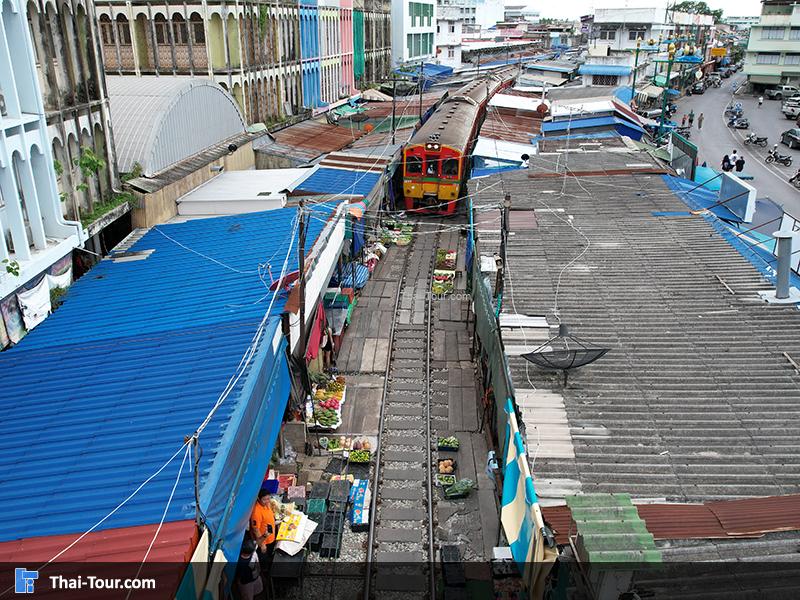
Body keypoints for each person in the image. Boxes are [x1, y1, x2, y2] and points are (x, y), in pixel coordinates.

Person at [250, 489, 276, 569]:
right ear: (258, 498)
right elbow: (256, 529)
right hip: (265, 541)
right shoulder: (256, 512)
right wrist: (262, 544)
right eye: (264, 499)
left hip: (271, 537)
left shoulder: (267, 505)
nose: (267, 501)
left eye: (269, 498)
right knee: (264, 560)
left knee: (271, 555)